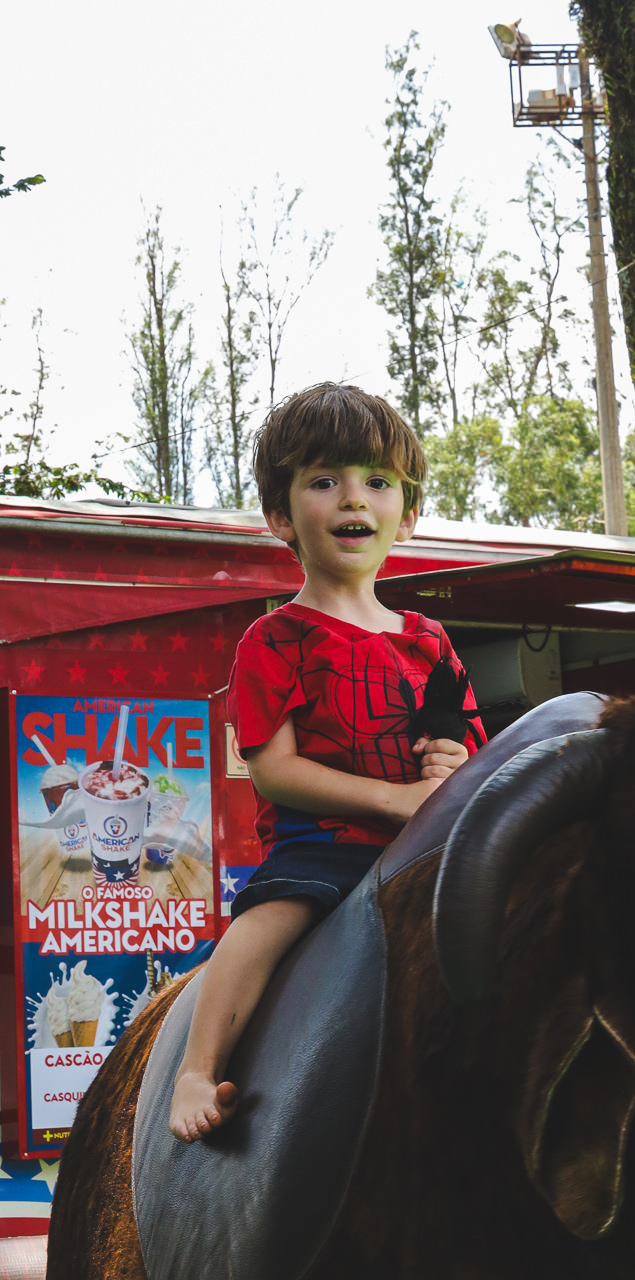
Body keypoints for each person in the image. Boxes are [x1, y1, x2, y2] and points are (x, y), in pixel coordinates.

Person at [169, 382, 484, 1143]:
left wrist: (453, 759)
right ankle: (195, 1069)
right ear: (281, 516)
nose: (353, 498)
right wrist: (394, 799)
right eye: (324, 481)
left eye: (377, 481)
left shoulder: (429, 640)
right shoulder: (274, 639)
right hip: (322, 847)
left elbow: (470, 744)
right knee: (269, 918)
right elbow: (273, 771)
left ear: (407, 514)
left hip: (428, 846)